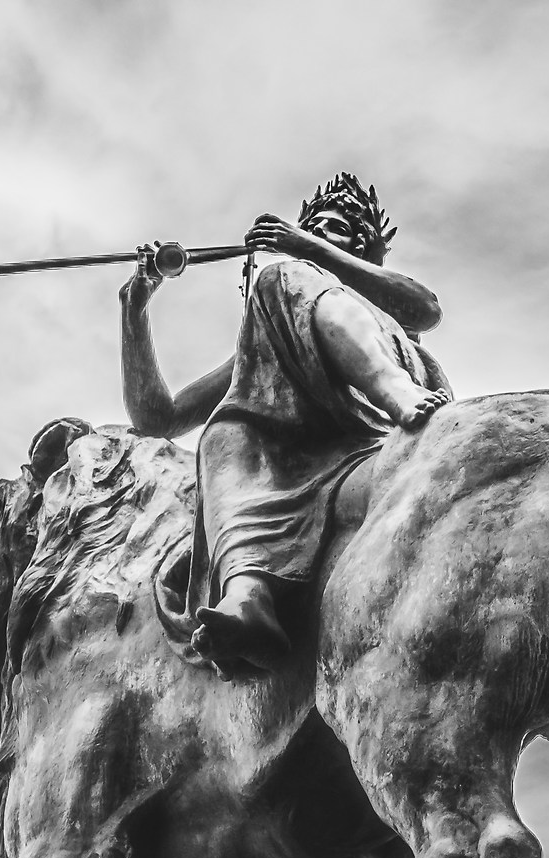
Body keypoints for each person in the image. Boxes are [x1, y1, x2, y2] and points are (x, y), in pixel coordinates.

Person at [120, 173, 450, 672]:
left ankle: (392, 390)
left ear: (362, 247)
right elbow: (158, 418)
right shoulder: (276, 331)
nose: (314, 237)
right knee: (223, 431)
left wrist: (306, 247)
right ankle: (248, 593)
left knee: (278, 280)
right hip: (299, 447)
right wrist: (134, 312)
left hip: (392, 391)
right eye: (311, 228)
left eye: (332, 229)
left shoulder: (336, 290)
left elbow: (424, 311)